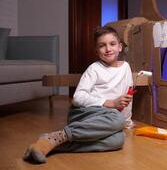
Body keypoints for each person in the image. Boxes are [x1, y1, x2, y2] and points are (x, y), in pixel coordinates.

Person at [23, 26, 133, 164]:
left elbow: (128, 96)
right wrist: (109, 103)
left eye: (112, 44)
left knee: (118, 140)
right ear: (96, 51)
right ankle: (60, 135)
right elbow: (77, 98)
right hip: (83, 113)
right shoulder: (94, 69)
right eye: (102, 45)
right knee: (117, 117)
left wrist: (127, 122)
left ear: (120, 47)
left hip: (105, 120)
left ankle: (48, 144)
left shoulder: (126, 68)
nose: (108, 49)